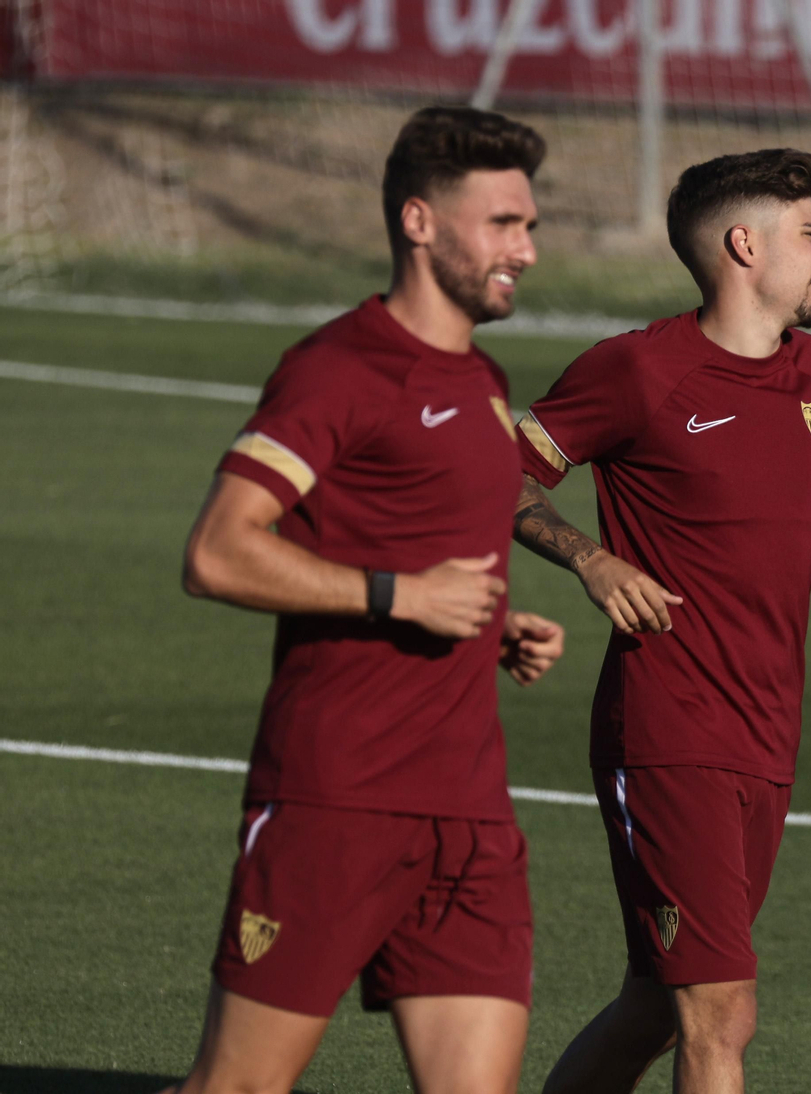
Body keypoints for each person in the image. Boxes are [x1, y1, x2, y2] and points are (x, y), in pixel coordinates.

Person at [509, 148, 811, 1094]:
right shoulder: (639, 369)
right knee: (722, 1010)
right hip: (668, 727)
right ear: (746, 245)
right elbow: (495, 472)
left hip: (767, 729)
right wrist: (588, 558)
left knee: (658, 1005)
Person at [167, 105, 564, 1094]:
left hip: (468, 811)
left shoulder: (483, 379)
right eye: (502, 223)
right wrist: (398, 597)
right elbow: (217, 552)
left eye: (530, 225)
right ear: (420, 222)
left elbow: (420, 547)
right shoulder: (338, 368)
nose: (524, 248)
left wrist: (485, 623)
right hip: (334, 798)